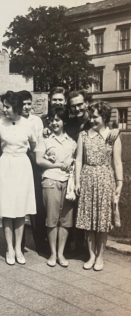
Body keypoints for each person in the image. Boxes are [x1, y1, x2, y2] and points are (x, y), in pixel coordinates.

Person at [75, 100, 123, 271]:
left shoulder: (113, 136)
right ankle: (91, 256)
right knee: (88, 222)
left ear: (104, 116)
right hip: (88, 178)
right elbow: (79, 160)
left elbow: (117, 163)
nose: (92, 120)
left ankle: (100, 257)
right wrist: (77, 181)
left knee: (102, 222)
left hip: (105, 180)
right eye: (91, 116)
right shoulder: (83, 135)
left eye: (95, 117)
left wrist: (119, 183)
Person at [0, 91, 36, 265]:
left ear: (16, 107)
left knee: (20, 209)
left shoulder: (27, 124)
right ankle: (9, 248)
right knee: (8, 209)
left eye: (7, 106)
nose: (4, 109)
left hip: (22, 166)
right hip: (6, 165)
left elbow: (33, 145)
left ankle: (18, 248)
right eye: (3, 106)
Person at [35, 106, 76, 267]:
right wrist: (59, 165)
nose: (54, 123)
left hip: (68, 183)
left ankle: (61, 254)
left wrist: (71, 161)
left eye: (57, 120)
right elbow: (39, 160)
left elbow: (75, 159)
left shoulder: (71, 142)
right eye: (51, 120)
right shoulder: (45, 139)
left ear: (64, 121)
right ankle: (52, 254)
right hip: (50, 181)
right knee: (52, 219)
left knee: (65, 220)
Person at [18, 90, 47, 252]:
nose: (27, 107)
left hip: (35, 162)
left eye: (29, 104)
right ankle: (19, 243)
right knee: (21, 203)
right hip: (22, 161)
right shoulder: (15, 120)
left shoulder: (37, 121)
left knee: (37, 204)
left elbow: (40, 142)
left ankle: (40, 243)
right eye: (24, 104)